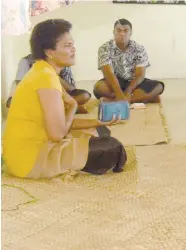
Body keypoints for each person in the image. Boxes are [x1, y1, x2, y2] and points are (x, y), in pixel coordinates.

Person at [3, 19, 127, 179]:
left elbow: (58, 123)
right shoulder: (46, 78)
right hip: (30, 160)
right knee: (113, 148)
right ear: (49, 52)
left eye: (72, 44)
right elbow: (57, 134)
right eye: (67, 46)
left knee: (101, 131)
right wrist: (73, 106)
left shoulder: (41, 70)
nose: (73, 49)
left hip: (21, 154)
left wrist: (98, 122)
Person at [93, 19, 164, 103]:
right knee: (99, 88)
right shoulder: (104, 48)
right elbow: (109, 74)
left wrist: (128, 91)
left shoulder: (139, 48)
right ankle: (142, 98)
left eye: (125, 30)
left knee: (159, 87)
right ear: (113, 32)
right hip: (115, 82)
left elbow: (140, 75)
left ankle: (116, 100)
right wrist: (119, 93)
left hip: (134, 83)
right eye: (118, 30)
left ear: (130, 33)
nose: (122, 33)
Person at [8, 54, 92, 113]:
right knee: (13, 103)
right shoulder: (27, 61)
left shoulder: (63, 61)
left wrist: (52, 74)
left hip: (59, 96)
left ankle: (54, 110)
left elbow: (72, 90)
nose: (72, 49)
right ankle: (60, 110)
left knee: (84, 95)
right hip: (35, 97)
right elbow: (21, 88)